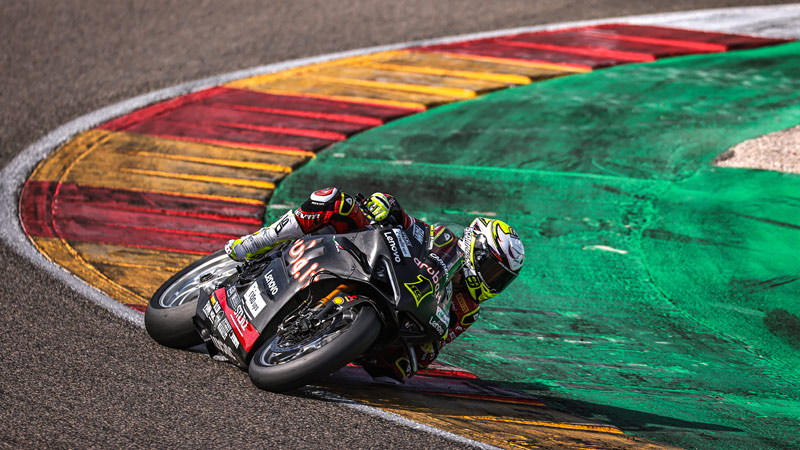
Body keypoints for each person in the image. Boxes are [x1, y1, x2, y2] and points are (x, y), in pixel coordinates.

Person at [225, 187, 525, 381]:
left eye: (501, 280)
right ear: (475, 249)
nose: (492, 282)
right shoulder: (443, 238)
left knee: (397, 369)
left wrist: (422, 353)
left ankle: (319, 339)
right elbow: (408, 223)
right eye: (492, 270)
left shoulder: (467, 309)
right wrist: (386, 205)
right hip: (372, 263)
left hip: (394, 318)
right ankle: (257, 242)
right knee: (335, 201)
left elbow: (433, 348)